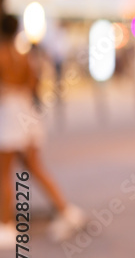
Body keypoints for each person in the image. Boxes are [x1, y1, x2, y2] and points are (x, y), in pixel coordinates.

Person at [0, 14, 86, 246]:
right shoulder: (24, 56)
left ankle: (5, 226)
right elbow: (33, 85)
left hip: (7, 115)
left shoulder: (2, 55)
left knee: (4, 172)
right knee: (35, 167)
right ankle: (66, 210)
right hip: (26, 112)